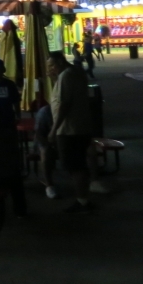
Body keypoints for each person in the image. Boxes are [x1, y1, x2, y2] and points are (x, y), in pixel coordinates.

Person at [46, 50, 95, 213]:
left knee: (75, 166)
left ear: (60, 62)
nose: (51, 69)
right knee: (78, 164)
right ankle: (84, 198)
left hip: (69, 129)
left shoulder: (66, 76)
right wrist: (54, 78)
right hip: (81, 127)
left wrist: (54, 129)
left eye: (52, 65)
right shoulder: (76, 72)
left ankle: (82, 201)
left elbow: (64, 104)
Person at [34, 102, 58, 198]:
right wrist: (49, 145)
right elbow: (39, 135)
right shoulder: (45, 112)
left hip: (65, 141)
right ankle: (49, 185)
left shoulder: (73, 110)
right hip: (47, 141)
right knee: (45, 152)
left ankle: (93, 181)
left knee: (89, 149)